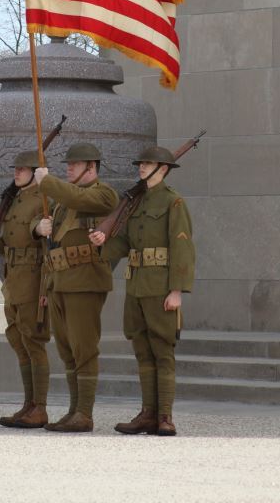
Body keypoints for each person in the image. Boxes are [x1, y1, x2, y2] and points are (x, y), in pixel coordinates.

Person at [90, 146, 195, 437]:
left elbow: (182, 248)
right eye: (141, 163)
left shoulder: (173, 203)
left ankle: (165, 416)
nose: (141, 167)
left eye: (147, 163)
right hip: (136, 286)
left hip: (160, 287)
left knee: (163, 351)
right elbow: (124, 243)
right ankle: (147, 413)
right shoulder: (136, 203)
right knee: (142, 351)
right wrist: (103, 241)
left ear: (163, 168)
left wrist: (177, 290)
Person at [33, 143, 119, 433]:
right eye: (68, 164)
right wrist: (39, 227)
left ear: (91, 167)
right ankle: (73, 411)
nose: (68, 168)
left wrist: (46, 181)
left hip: (85, 281)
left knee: (84, 348)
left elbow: (79, 197)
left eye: (75, 164)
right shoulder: (62, 203)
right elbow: (53, 245)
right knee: (67, 350)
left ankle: (85, 413)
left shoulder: (104, 194)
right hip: (59, 281)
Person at [0, 149, 50, 429]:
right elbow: (8, 244)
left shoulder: (44, 198)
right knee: (19, 341)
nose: (16, 173)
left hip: (33, 278)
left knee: (34, 341)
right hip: (13, 278)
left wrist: (37, 229)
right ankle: (28, 404)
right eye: (15, 169)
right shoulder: (15, 200)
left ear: (34, 172)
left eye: (21, 169)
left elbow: (45, 236)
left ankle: (39, 408)